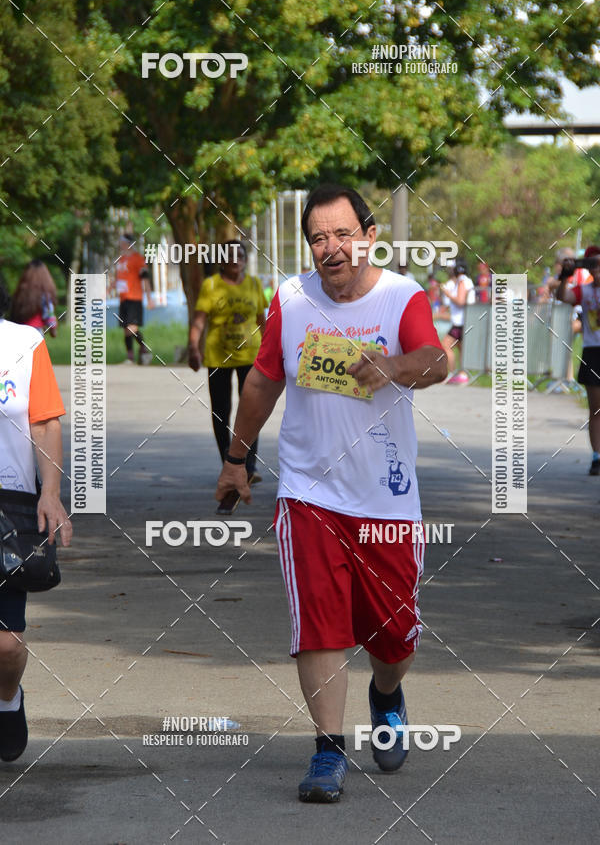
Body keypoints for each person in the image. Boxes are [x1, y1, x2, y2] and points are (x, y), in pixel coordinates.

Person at [215, 184, 447, 802]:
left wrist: (392, 367)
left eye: (343, 234)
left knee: (393, 637)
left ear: (369, 236)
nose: (331, 248)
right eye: (318, 237)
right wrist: (236, 459)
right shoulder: (290, 300)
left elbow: (435, 360)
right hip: (309, 493)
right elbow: (263, 381)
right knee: (318, 625)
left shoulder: (403, 296)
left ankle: (388, 694)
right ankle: (327, 750)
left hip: (387, 501)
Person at [0, 278, 72, 762]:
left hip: (10, 504)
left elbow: (44, 420)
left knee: (6, 645)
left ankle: (7, 698)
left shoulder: (23, 344)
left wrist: (50, 492)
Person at [188, 240, 268, 514]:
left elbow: (262, 320)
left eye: (240, 255)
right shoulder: (211, 286)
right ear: (221, 260)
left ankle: (249, 466)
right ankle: (229, 461)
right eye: (230, 255)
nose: (236, 259)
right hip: (217, 356)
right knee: (221, 411)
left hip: (251, 356)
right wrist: (193, 347)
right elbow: (199, 319)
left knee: (252, 408)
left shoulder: (255, 285)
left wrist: (272, 348)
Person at [555, 246, 600, 475]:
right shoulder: (585, 291)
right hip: (593, 351)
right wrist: (565, 276)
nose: (598, 269)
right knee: (596, 410)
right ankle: (596, 456)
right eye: (593, 264)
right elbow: (563, 296)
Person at [115, 234, 154, 364]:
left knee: (132, 327)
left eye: (123, 242)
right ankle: (130, 356)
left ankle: (143, 348)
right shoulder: (120, 259)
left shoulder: (138, 259)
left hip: (135, 297)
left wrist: (149, 297)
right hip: (123, 298)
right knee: (126, 329)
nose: (120, 244)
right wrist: (107, 291)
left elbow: (145, 278)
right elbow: (117, 278)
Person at [440, 258, 475, 384]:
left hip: (460, 322)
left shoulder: (462, 281)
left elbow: (460, 301)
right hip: (465, 320)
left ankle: (453, 373)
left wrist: (447, 294)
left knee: (445, 344)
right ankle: (462, 374)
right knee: (460, 348)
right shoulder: (467, 281)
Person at [10, 259, 58, 337]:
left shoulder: (20, 292)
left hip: (19, 331)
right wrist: (53, 329)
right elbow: (49, 313)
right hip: (36, 332)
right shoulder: (44, 294)